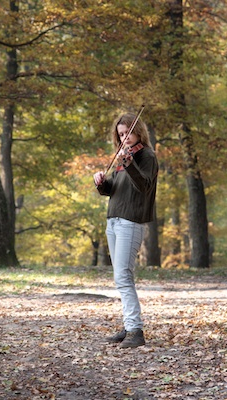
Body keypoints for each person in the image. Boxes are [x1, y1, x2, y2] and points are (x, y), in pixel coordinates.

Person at [93, 111, 158, 348]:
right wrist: (101, 183)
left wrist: (129, 163)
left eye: (128, 133)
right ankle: (129, 325)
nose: (124, 138)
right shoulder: (123, 159)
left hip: (131, 221)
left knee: (123, 276)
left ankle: (135, 330)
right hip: (114, 220)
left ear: (138, 131)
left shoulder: (146, 157)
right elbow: (115, 190)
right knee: (119, 276)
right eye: (121, 135)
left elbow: (143, 186)